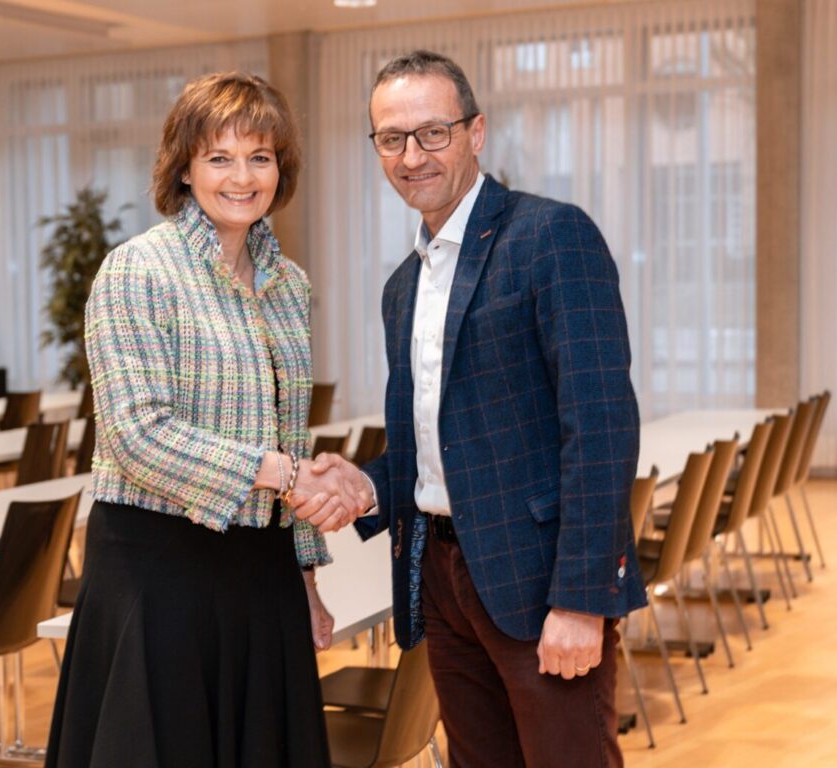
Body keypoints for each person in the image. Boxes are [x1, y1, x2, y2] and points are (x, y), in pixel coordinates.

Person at [317, 50, 647, 767]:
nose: (412, 156)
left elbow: (600, 427)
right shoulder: (403, 285)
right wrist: (367, 484)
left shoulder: (549, 237)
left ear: (476, 132)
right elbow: (434, 440)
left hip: (538, 580)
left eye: (433, 132)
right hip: (440, 577)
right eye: (391, 138)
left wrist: (583, 598)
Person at [45, 72, 368, 768]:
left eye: (261, 156)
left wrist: (307, 581)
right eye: (220, 157)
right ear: (184, 168)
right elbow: (136, 436)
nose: (242, 176)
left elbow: (293, 438)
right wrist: (273, 471)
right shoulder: (136, 271)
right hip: (158, 569)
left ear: (281, 168)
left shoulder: (290, 284)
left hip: (262, 572)